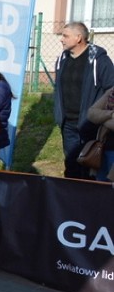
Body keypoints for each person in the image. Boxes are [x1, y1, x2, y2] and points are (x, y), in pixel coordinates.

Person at [53, 22, 114, 179]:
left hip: (90, 124)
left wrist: (102, 116)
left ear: (79, 37)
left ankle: (89, 197)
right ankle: (70, 196)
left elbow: (111, 89)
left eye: (65, 36)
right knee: (71, 162)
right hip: (68, 123)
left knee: (90, 162)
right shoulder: (62, 59)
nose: (61, 39)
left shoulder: (100, 61)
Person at [86, 86, 114, 181]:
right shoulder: (111, 92)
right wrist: (110, 114)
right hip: (102, 150)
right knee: (100, 189)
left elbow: (97, 116)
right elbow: (91, 113)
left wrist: (101, 119)